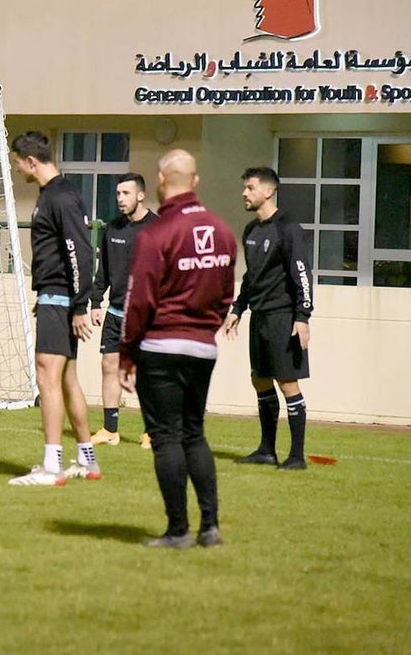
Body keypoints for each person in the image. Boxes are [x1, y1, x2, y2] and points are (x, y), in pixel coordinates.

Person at [118, 149, 236, 549]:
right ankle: (211, 526)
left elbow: (139, 300)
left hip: (161, 345)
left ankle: (177, 530)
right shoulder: (222, 230)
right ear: (196, 181)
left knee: (166, 437)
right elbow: (225, 295)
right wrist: (206, 329)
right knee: (194, 434)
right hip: (203, 348)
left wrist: (126, 353)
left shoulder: (156, 233)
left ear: (162, 180)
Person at [7, 130, 99, 485]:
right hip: (54, 297)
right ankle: (87, 460)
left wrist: (79, 305)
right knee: (66, 378)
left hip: (61, 300)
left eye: (18, 163)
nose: (17, 169)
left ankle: (52, 465)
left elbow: (80, 250)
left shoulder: (59, 197)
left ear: (32, 162)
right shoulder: (56, 194)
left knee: (47, 376)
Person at [223, 166, 314, 471]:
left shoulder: (288, 228)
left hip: (283, 316)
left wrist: (302, 316)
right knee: (259, 379)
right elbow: (252, 277)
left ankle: (297, 456)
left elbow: (302, 273)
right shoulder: (251, 231)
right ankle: (266, 450)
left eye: (250, 188)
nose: (244, 193)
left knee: (288, 382)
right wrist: (238, 308)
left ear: (268, 191)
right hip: (259, 316)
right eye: (245, 188)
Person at [89, 172, 158, 449]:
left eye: (126, 194)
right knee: (109, 367)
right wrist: (95, 302)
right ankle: (110, 430)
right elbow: (102, 271)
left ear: (141, 195)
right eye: (118, 194)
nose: (120, 199)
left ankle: (152, 431)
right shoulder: (112, 229)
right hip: (115, 313)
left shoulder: (158, 229)